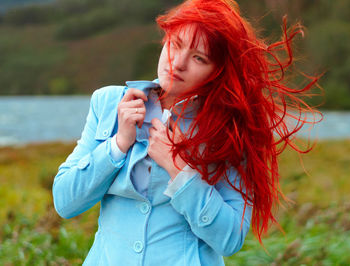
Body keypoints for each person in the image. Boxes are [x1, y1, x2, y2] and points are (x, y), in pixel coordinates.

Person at [52, 0, 320, 265]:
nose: (177, 63)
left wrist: (179, 170)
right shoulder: (109, 103)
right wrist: (118, 144)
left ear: (219, 71)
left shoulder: (231, 129)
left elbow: (230, 239)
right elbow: (65, 202)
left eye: (199, 58)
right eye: (175, 44)